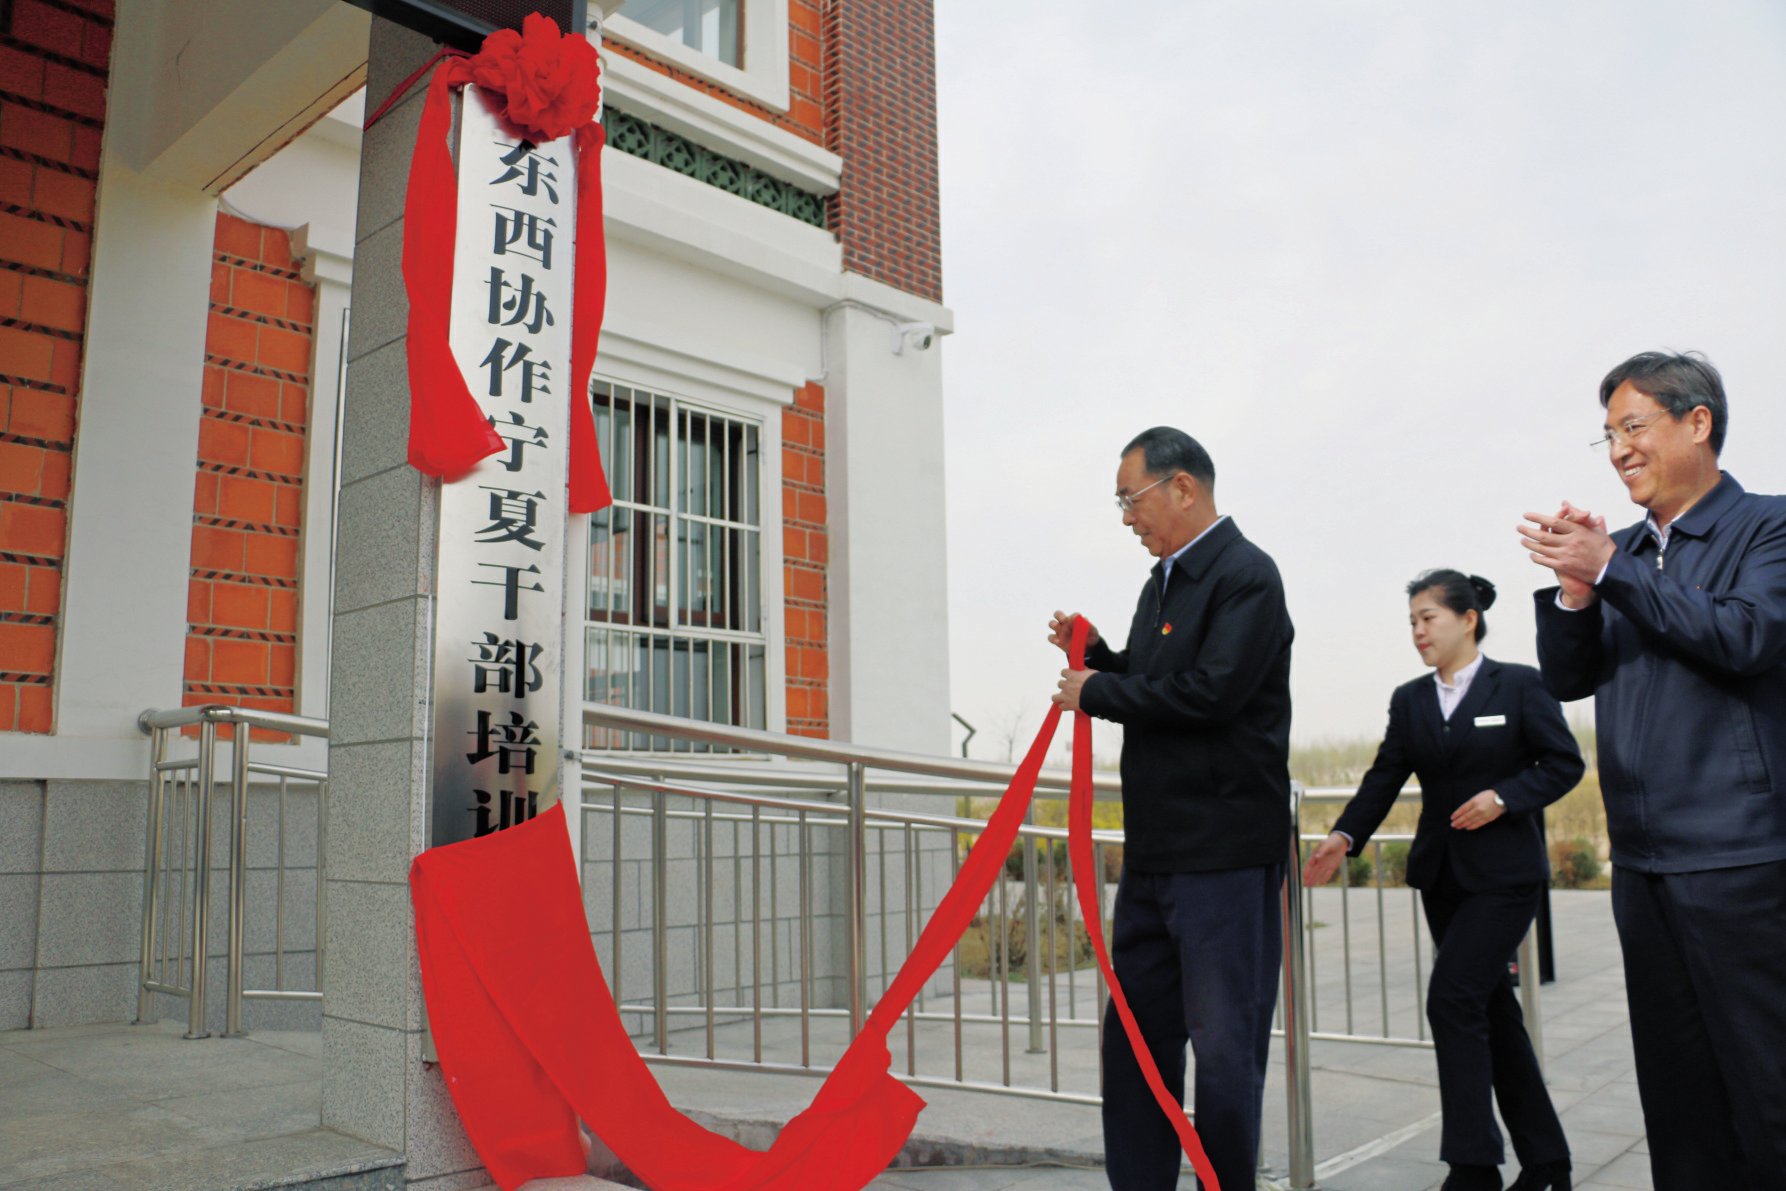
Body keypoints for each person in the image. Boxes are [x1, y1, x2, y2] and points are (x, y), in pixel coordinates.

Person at [1521, 350, 1786, 1190]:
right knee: (1677, 1099)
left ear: (1697, 421)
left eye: (1634, 427)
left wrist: (1611, 570)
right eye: (1608, 436)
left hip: (1741, 860)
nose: (1619, 449)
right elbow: (1568, 679)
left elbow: (1744, 636)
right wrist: (1574, 592)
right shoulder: (1627, 554)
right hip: (1643, 865)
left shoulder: (1769, 528)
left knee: (1767, 1085)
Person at [1048, 426, 1292, 1191]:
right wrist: (1099, 659)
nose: (1127, 517)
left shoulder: (1247, 575)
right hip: (1154, 855)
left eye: (1132, 498)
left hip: (1221, 852)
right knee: (1137, 1048)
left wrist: (1102, 692)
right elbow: (1157, 684)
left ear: (1182, 487)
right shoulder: (1161, 582)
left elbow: (1212, 692)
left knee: (1223, 1055)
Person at [1303, 571, 1581, 1191]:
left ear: (1468, 619)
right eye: (1411, 622)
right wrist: (1344, 837)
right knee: (1492, 1013)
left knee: (1451, 998)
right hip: (1443, 879)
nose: (1418, 631)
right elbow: (1384, 777)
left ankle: (1473, 1166)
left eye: (1428, 618)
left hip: (1506, 879)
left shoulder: (1521, 685)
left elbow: (1564, 764)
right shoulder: (1410, 699)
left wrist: (1505, 798)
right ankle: (1548, 1164)